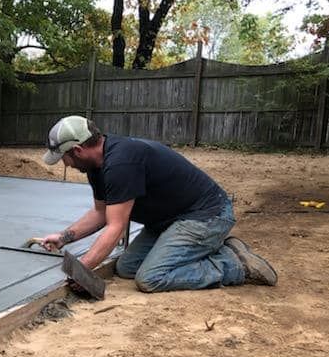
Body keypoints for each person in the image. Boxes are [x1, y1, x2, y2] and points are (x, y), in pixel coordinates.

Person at [39, 115, 277, 293]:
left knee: (150, 278)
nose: (65, 165)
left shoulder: (121, 163)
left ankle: (233, 265)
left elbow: (115, 226)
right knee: (126, 268)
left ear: (78, 150)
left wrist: (82, 269)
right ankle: (214, 249)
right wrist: (64, 237)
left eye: (64, 158)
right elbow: (101, 212)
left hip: (206, 217)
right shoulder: (96, 165)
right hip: (168, 221)